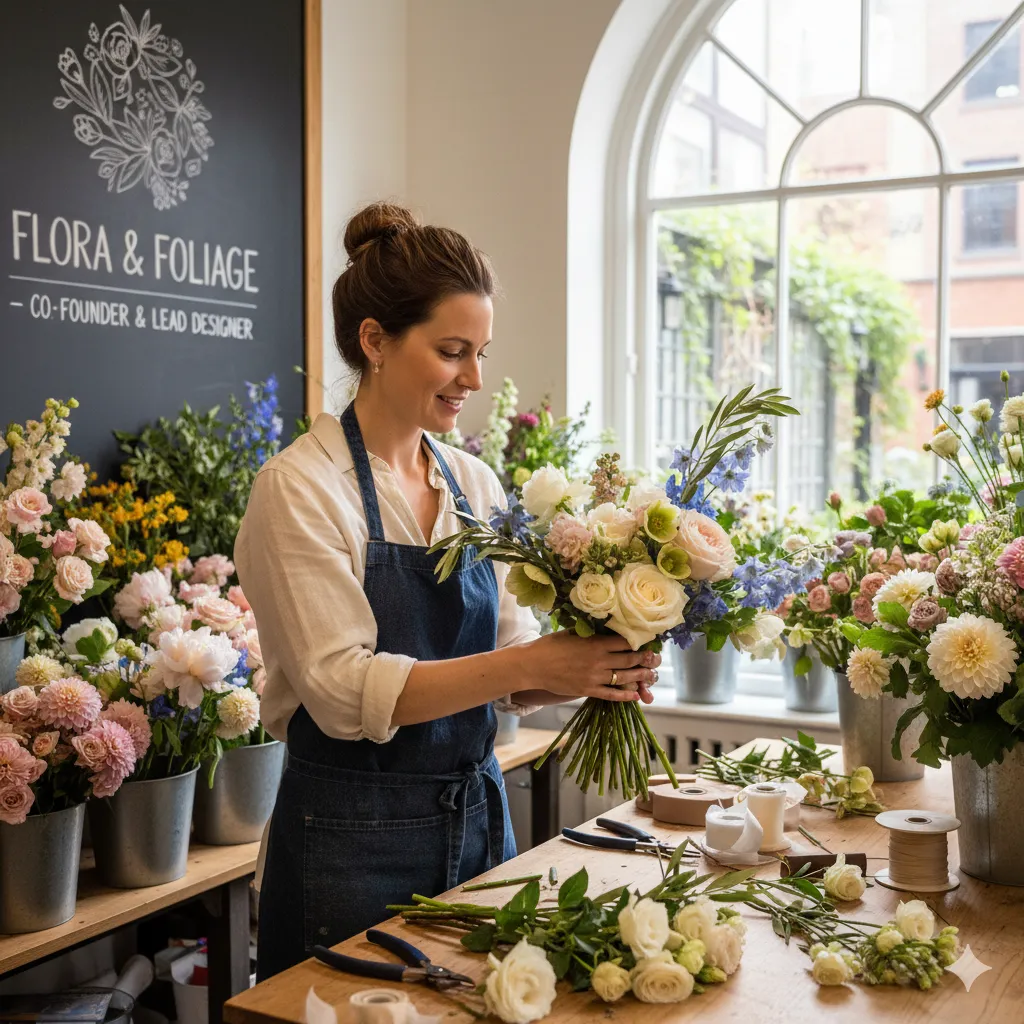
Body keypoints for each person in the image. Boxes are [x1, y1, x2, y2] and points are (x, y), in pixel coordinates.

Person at [235, 201, 660, 980]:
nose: (474, 378)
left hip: (477, 830)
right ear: (375, 341)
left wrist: (589, 665)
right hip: (346, 844)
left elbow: (503, 659)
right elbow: (341, 690)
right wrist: (532, 668)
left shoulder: (471, 480)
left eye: (481, 352)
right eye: (452, 351)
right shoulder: (300, 488)